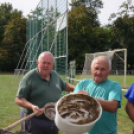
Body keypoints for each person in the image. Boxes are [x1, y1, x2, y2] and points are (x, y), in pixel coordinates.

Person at [15, 51, 75, 134]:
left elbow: (64, 85)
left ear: (53, 65)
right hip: (33, 120)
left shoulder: (54, 75)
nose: (46, 66)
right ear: (38, 63)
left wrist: (76, 89)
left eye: (49, 63)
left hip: (52, 119)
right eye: (43, 63)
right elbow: (19, 99)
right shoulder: (29, 77)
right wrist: (32, 106)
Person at [73, 56, 122, 134]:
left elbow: (113, 106)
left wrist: (88, 99)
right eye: (96, 68)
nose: (99, 72)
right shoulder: (82, 84)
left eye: (103, 69)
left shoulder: (114, 85)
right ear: (91, 69)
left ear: (109, 71)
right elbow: (73, 105)